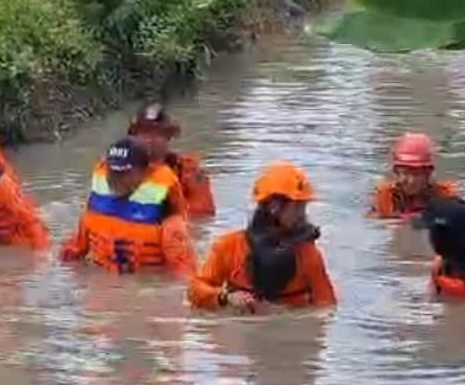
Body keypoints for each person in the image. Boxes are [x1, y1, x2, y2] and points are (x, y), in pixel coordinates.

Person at [189, 162, 336, 312]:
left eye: (303, 206)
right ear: (274, 207)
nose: (303, 214)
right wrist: (225, 297)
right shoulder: (229, 246)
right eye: (298, 206)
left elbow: (327, 308)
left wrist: (282, 313)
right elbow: (194, 292)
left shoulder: (308, 254)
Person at [60, 137, 196, 276]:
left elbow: (183, 277)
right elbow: (74, 251)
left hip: (145, 286)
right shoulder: (96, 202)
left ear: (145, 172)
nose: (116, 179)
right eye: (113, 172)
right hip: (101, 285)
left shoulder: (169, 219)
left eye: (124, 173)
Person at [127, 103, 216, 217]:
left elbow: (203, 215)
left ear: (168, 137)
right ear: (133, 137)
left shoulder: (188, 171)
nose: (149, 140)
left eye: (157, 134)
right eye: (144, 133)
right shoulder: (119, 169)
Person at [370, 132, 459, 219]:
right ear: (396, 172)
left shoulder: (446, 196)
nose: (411, 181)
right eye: (405, 173)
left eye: (417, 174)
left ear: (428, 173)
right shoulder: (386, 196)